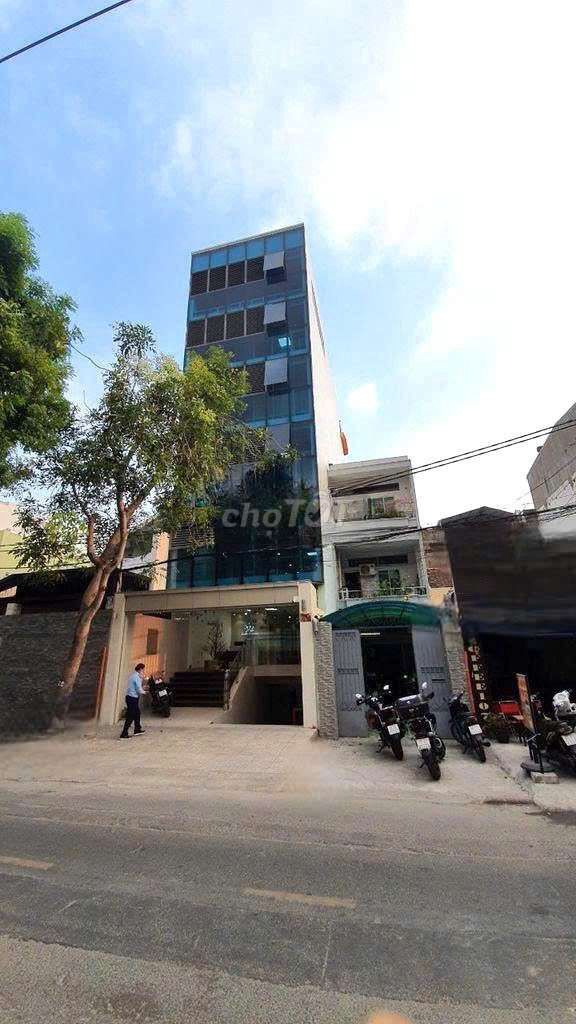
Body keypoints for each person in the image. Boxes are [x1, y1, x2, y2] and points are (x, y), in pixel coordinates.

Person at [120, 663, 147, 738]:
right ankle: (124, 733)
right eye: (143, 669)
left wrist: (142, 680)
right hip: (132, 698)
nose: (144, 671)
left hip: (131, 697)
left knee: (137, 713)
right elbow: (139, 689)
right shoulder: (136, 677)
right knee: (130, 716)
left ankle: (137, 729)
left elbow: (137, 687)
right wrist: (145, 692)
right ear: (140, 669)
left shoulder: (133, 676)